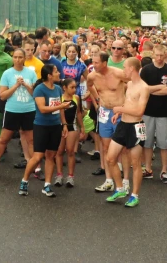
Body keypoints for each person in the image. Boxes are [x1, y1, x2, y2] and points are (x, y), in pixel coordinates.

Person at [103, 58, 150, 207]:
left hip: (136, 127)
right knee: (110, 158)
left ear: (132, 69)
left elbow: (140, 111)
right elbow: (129, 102)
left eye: (125, 68)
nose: (123, 71)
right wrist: (120, 112)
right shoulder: (129, 84)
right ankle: (120, 188)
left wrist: (120, 109)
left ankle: (135, 195)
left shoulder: (144, 88)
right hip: (123, 124)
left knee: (135, 163)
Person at [18, 64, 70, 197]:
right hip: (41, 126)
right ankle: (24, 181)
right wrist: (60, 105)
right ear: (49, 75)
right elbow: (42, 108)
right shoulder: (39, 89)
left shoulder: (58, 89)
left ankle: (47, 185)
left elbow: (61, 109)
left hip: (55, 126)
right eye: (56, 71)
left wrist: (64, 124)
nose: (59, 73)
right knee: (37, 156)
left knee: (51, 156)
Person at [0, 48, 37, 179]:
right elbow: (2, 96)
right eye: (15, 57)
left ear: (24, 58)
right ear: (12, 58)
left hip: (29, 110)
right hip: (12, 111)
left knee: (31, 140)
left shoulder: (31, 73)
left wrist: (26, 85)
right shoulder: (7, 73)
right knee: (3, 139)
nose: (18, 60)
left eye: (20, 57)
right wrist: (15, 86)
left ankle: (36, 168)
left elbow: (35, 94)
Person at [87, 51, 130, 193]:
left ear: (105, 62)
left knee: (122, 148)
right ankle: (109, 180)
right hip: (104, 112)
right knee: (105, 147)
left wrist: (128, 102)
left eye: (97, 62)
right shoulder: (92, 75)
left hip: (119, 112)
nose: (94, 65)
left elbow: (133, 82)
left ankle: (125, 181)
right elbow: (89, 86)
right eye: (93, 62)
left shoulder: (117, 73)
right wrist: (98, 100)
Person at [140, 44, 167, 184]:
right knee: (147, 142)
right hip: (147, 110)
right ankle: (148, 169)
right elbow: (143, 89)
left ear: (166, 54)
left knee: (164, 143)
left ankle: (164, 171)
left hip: (164, 112)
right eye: (157, 55)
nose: (159, 58)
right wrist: (160, 88)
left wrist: (152, 90)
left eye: (162, 55)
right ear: (153, 54)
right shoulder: (146, 69)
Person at [54, 78, 85, 187]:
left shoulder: (76, 98)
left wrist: (82, 128)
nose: (74, 90)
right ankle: (59, 175)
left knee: (71, 151)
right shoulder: (59, 98)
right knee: (59, 151)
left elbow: (79, 113)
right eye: (72, 87)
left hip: (72, 127)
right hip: (61, 127)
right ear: (64, 88)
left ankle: (70, 176)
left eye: (75, 87)